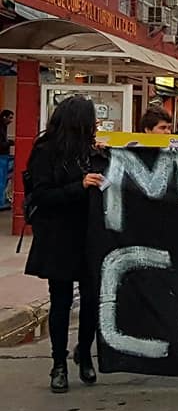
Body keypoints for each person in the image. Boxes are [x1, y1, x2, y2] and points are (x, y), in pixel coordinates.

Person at [24, 95, 106, 393]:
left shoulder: (89, 151)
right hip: (59, 236)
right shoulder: (46, 151)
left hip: (89, 236)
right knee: (60, 301)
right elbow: (41, 195)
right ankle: (58, 363)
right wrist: (78, 186)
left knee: (91, 300)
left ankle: (84, 353)